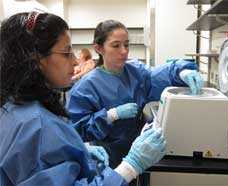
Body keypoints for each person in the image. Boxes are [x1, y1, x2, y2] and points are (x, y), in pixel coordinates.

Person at [0, 12, 166, 186]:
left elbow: (45, 158)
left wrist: (78, 150)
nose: (74, 62)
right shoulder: (36, 124)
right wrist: (129, 167)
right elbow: (74, 130)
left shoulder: (15, 107)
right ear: (35, 59)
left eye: (127, 45)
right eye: (66, 53)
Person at [66, 19, 204, 168]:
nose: (124, 51)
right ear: (99, 48)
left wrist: (181, 71)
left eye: (126, 45)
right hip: (106, 158)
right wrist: (110, 116)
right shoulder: (85, 87)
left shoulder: (136, 72)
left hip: (141, 152)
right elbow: (77, 131)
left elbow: (159, 75)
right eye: (116, 45)